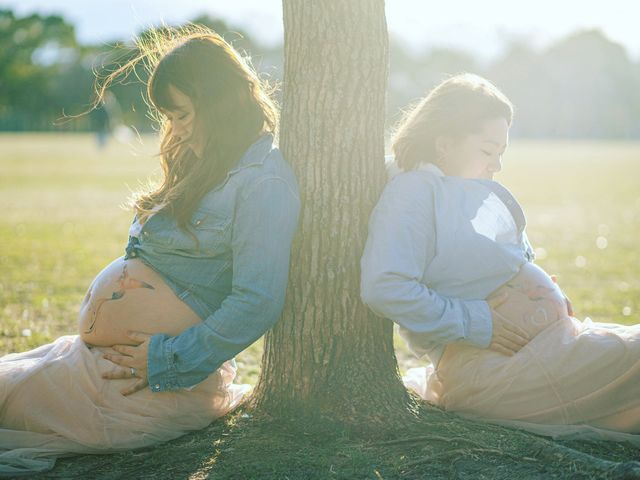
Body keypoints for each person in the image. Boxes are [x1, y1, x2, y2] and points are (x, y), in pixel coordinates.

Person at [0, 26, 300, 475]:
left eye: (182, 114)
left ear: (219, 104)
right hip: (102, 364)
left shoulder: (264, 182)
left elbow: (257, 300)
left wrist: (166, 360)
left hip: (150, 383)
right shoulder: (202, 160)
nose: (174, 129)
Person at [360, 73, 640, 445]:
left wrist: (545, 293)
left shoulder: (467, 189)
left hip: (542, 346)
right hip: (493, 368)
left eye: (501, 152)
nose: (497, 165)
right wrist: (479, 322)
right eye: (487, 151)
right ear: (444, 143)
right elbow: (384, 287)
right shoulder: (412, 193)